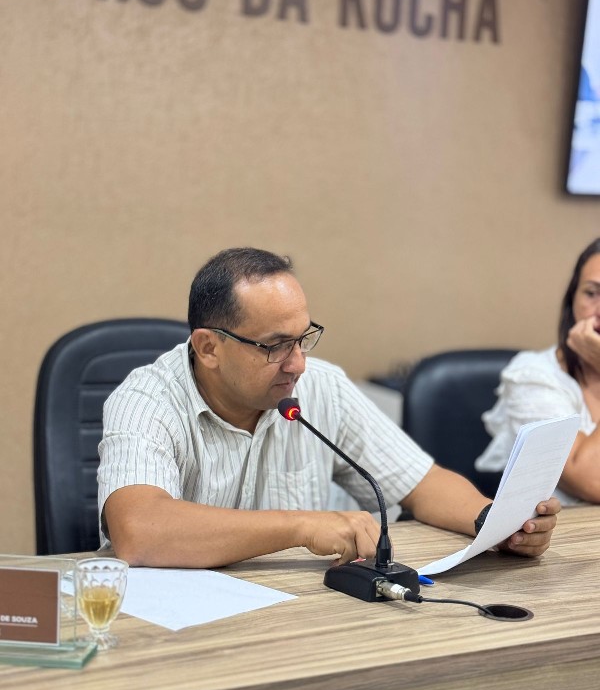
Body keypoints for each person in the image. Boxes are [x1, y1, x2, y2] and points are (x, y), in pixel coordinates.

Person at [98, 247, 559, 569]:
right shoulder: (146, 401)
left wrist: (497, 524)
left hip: (296, 614)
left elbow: (422, 484)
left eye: (303, 338)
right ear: (209, 348)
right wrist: (301, 526)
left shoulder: (322, 387)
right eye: (276, 345)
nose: (298, 364)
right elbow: (139, 530)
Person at [476, 238, 600, 505]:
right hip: (564, 529)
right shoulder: (533, 376)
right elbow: (593, 480)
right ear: (572, 300)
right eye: (592, 293)